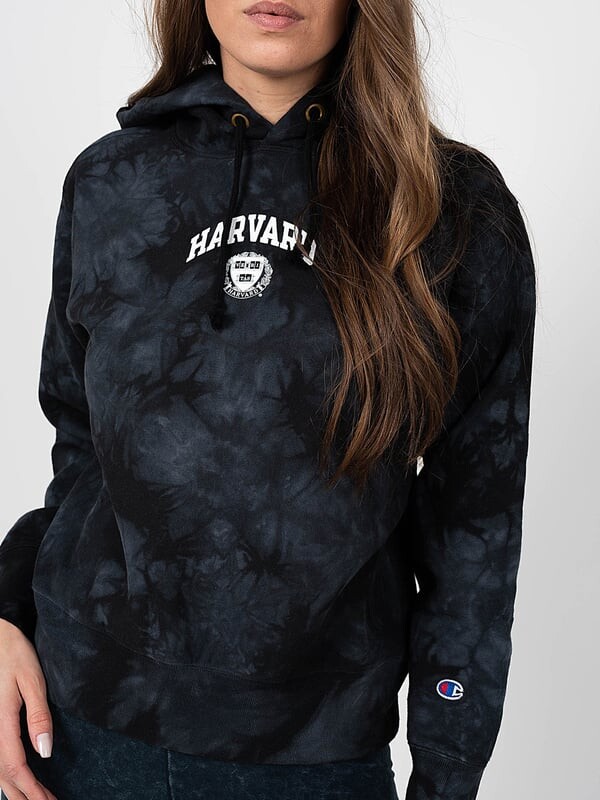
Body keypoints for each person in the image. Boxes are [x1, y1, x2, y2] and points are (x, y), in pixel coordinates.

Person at [0, 1, 537, 798]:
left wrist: (447, 770)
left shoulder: (451, 207)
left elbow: (474, 528)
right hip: (78, 735)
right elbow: (79, 450)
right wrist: (6, 608)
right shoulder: (112, 179)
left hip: (313, 759)